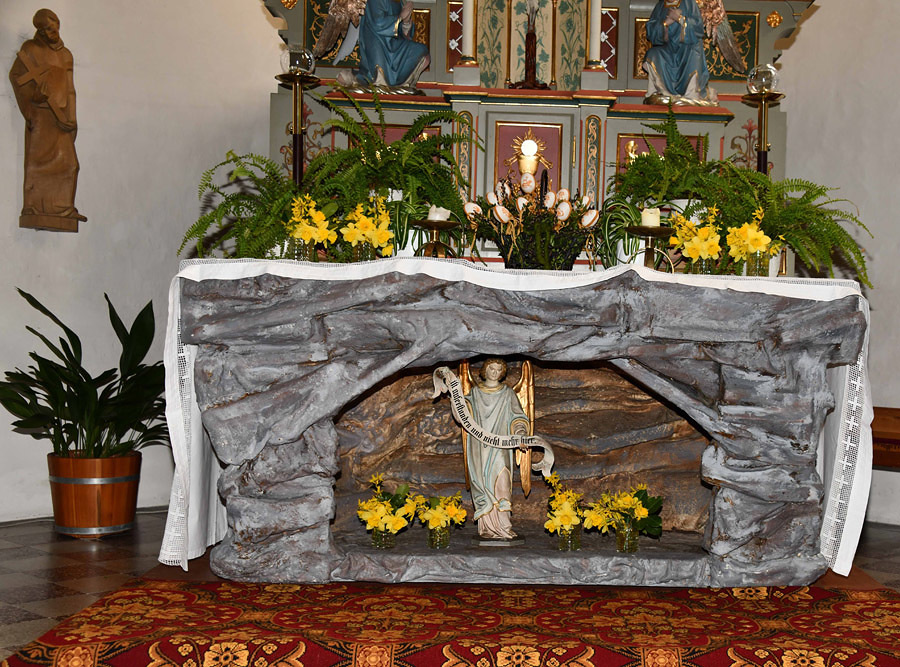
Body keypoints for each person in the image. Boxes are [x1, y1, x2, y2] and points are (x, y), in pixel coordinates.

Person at [9, 9, 86, 229]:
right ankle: (33, 208)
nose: (54, 33)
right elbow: (16, 76)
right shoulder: (30, 50)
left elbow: (70, 89)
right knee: (38, 164)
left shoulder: (65, 55)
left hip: (61, 118)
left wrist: (71, 117)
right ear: (41, 32)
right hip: (42, 116)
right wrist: (34, 97)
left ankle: (64, 208)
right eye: (49, 30)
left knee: (70, 165)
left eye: (56, 28)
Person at [465, 358, 530, 540]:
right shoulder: (475, 393)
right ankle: (487, 528)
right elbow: (463, 414)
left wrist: (520, 434)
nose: (494, 372)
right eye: (491, 369)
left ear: (502, 372)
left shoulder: (507, 393)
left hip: (500, 447)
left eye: (498, 369)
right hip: (480, 447)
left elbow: (517, 417)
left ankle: (503, 526)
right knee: (482, 483)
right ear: (484, 370)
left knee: (503, 483)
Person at [337, 0, 430, 91]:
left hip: (395, 45)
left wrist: (406, 22)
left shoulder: (400, 2)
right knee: (379, 75)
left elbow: (401, 33)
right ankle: (367, 79)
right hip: (378, 43)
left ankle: (401, 84)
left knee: (421, 50)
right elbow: (378, 23)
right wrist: (400, 17)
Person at [643, 0, 717, 106]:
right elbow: (651, 31)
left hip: (687, 48)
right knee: (653, 54)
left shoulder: (689, 3)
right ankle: (663, 93)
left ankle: (691, 94)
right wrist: (665, 24)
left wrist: (680, 19)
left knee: (694, 51)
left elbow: (698, 28)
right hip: (668, 50)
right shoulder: (660, 5)